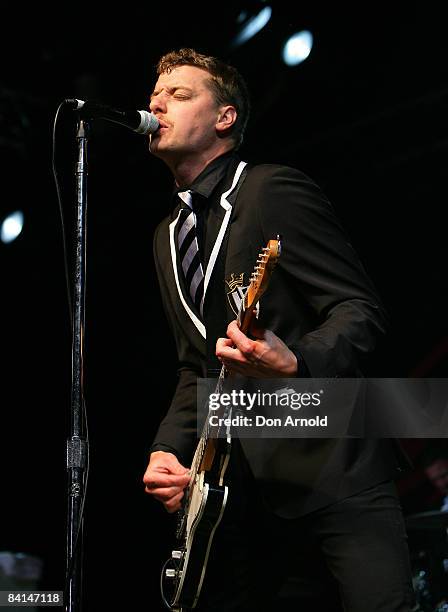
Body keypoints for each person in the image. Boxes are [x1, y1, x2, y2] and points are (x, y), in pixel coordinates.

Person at [142, 48, 415, 611]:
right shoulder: (166, 234)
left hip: (333, 465)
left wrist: (299, 359)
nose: (157, 103)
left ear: (225, 118)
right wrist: (168, 450)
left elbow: (360, 309)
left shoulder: (270, 190)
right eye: (155, 97)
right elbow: (197, 366)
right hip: (248, 496)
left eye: (180, 95)